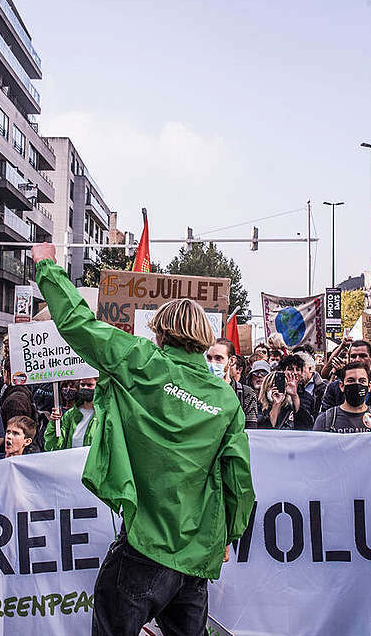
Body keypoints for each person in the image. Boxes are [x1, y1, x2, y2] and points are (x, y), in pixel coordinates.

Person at [32, 243, 254, 635]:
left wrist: (48, 266)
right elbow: (239, 479)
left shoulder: (141, 361)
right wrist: (229, 535)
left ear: (162, 332)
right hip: (193, 557)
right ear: (204, 338)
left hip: (145, 546)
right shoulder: (224, 398)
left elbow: (79, 324)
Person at [313, 362, 371, 437]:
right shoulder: (325, 420)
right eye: (351, 380)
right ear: (341, 386)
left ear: (369, 386)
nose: (357, 385)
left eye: (362, 381)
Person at [323, 340, 371, 412]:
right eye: (353, 356)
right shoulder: (334, 389)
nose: (357, 359)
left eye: (362, 356)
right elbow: (325, 419)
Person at [206, 338, 258, 429]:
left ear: (231, 361)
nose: (212, 363)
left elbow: (251, 431)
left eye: (218, 358)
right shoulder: (199, 389)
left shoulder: (246, 394)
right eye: (209, 358)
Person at [44, 376, 99, 450]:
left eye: (89, 385)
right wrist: (54, 424)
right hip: (73, 459)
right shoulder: (70, 414)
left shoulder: (103, 415)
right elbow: (55, 446)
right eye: (82, 385)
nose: (85, 387)